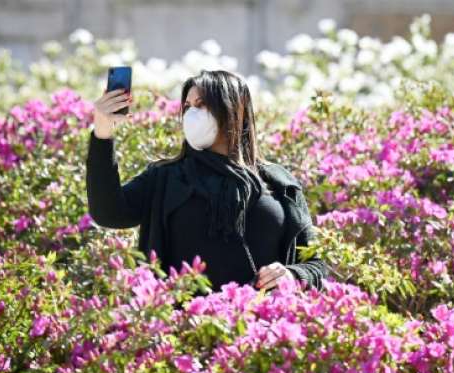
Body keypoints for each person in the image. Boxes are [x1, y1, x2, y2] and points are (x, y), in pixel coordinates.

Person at [85, 69, 328, 294]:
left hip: (261, 331)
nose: (191, 113)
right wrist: (103, 133)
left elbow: (316, 263)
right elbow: (109, 212)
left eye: (201, 105)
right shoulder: (165, 178)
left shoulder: (279, 183)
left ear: (233, 110)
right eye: (188, 106)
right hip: (185, 330)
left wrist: (292, 274)